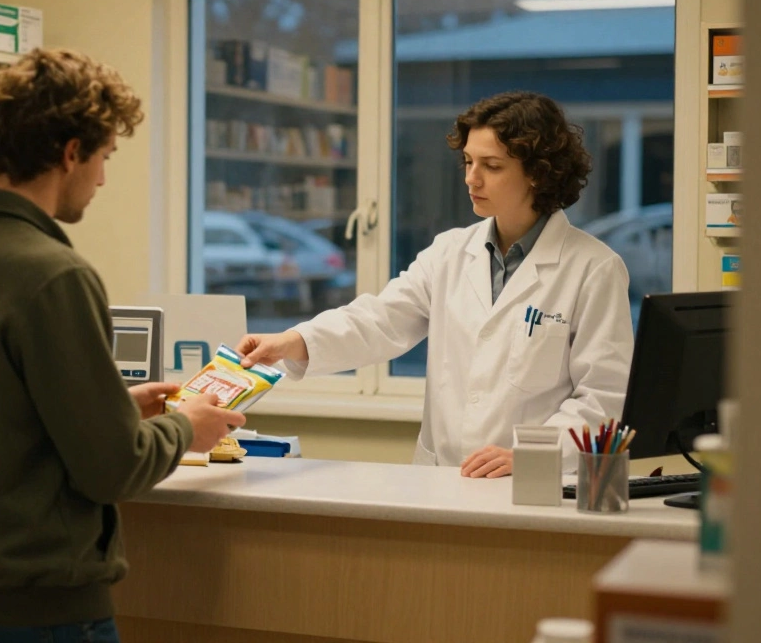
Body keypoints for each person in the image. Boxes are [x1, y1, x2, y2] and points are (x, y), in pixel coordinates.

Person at [0, 47, 245, 643]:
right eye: (103, 157)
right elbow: (112, 469)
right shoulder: (53, 275)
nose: (102, 178)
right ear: (71, 153)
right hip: (41, 616)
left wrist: (113, 411)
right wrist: (185, 429)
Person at [238, 91, 633, 477]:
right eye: (467, 162)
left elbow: (603, 398)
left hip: (531, 484)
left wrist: (532, 454)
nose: (471, 178)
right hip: (443, 477)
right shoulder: (449, 252)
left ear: (538, 174)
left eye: (491, 166)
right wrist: (294, 341)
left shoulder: (593, 269)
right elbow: (379, 320)